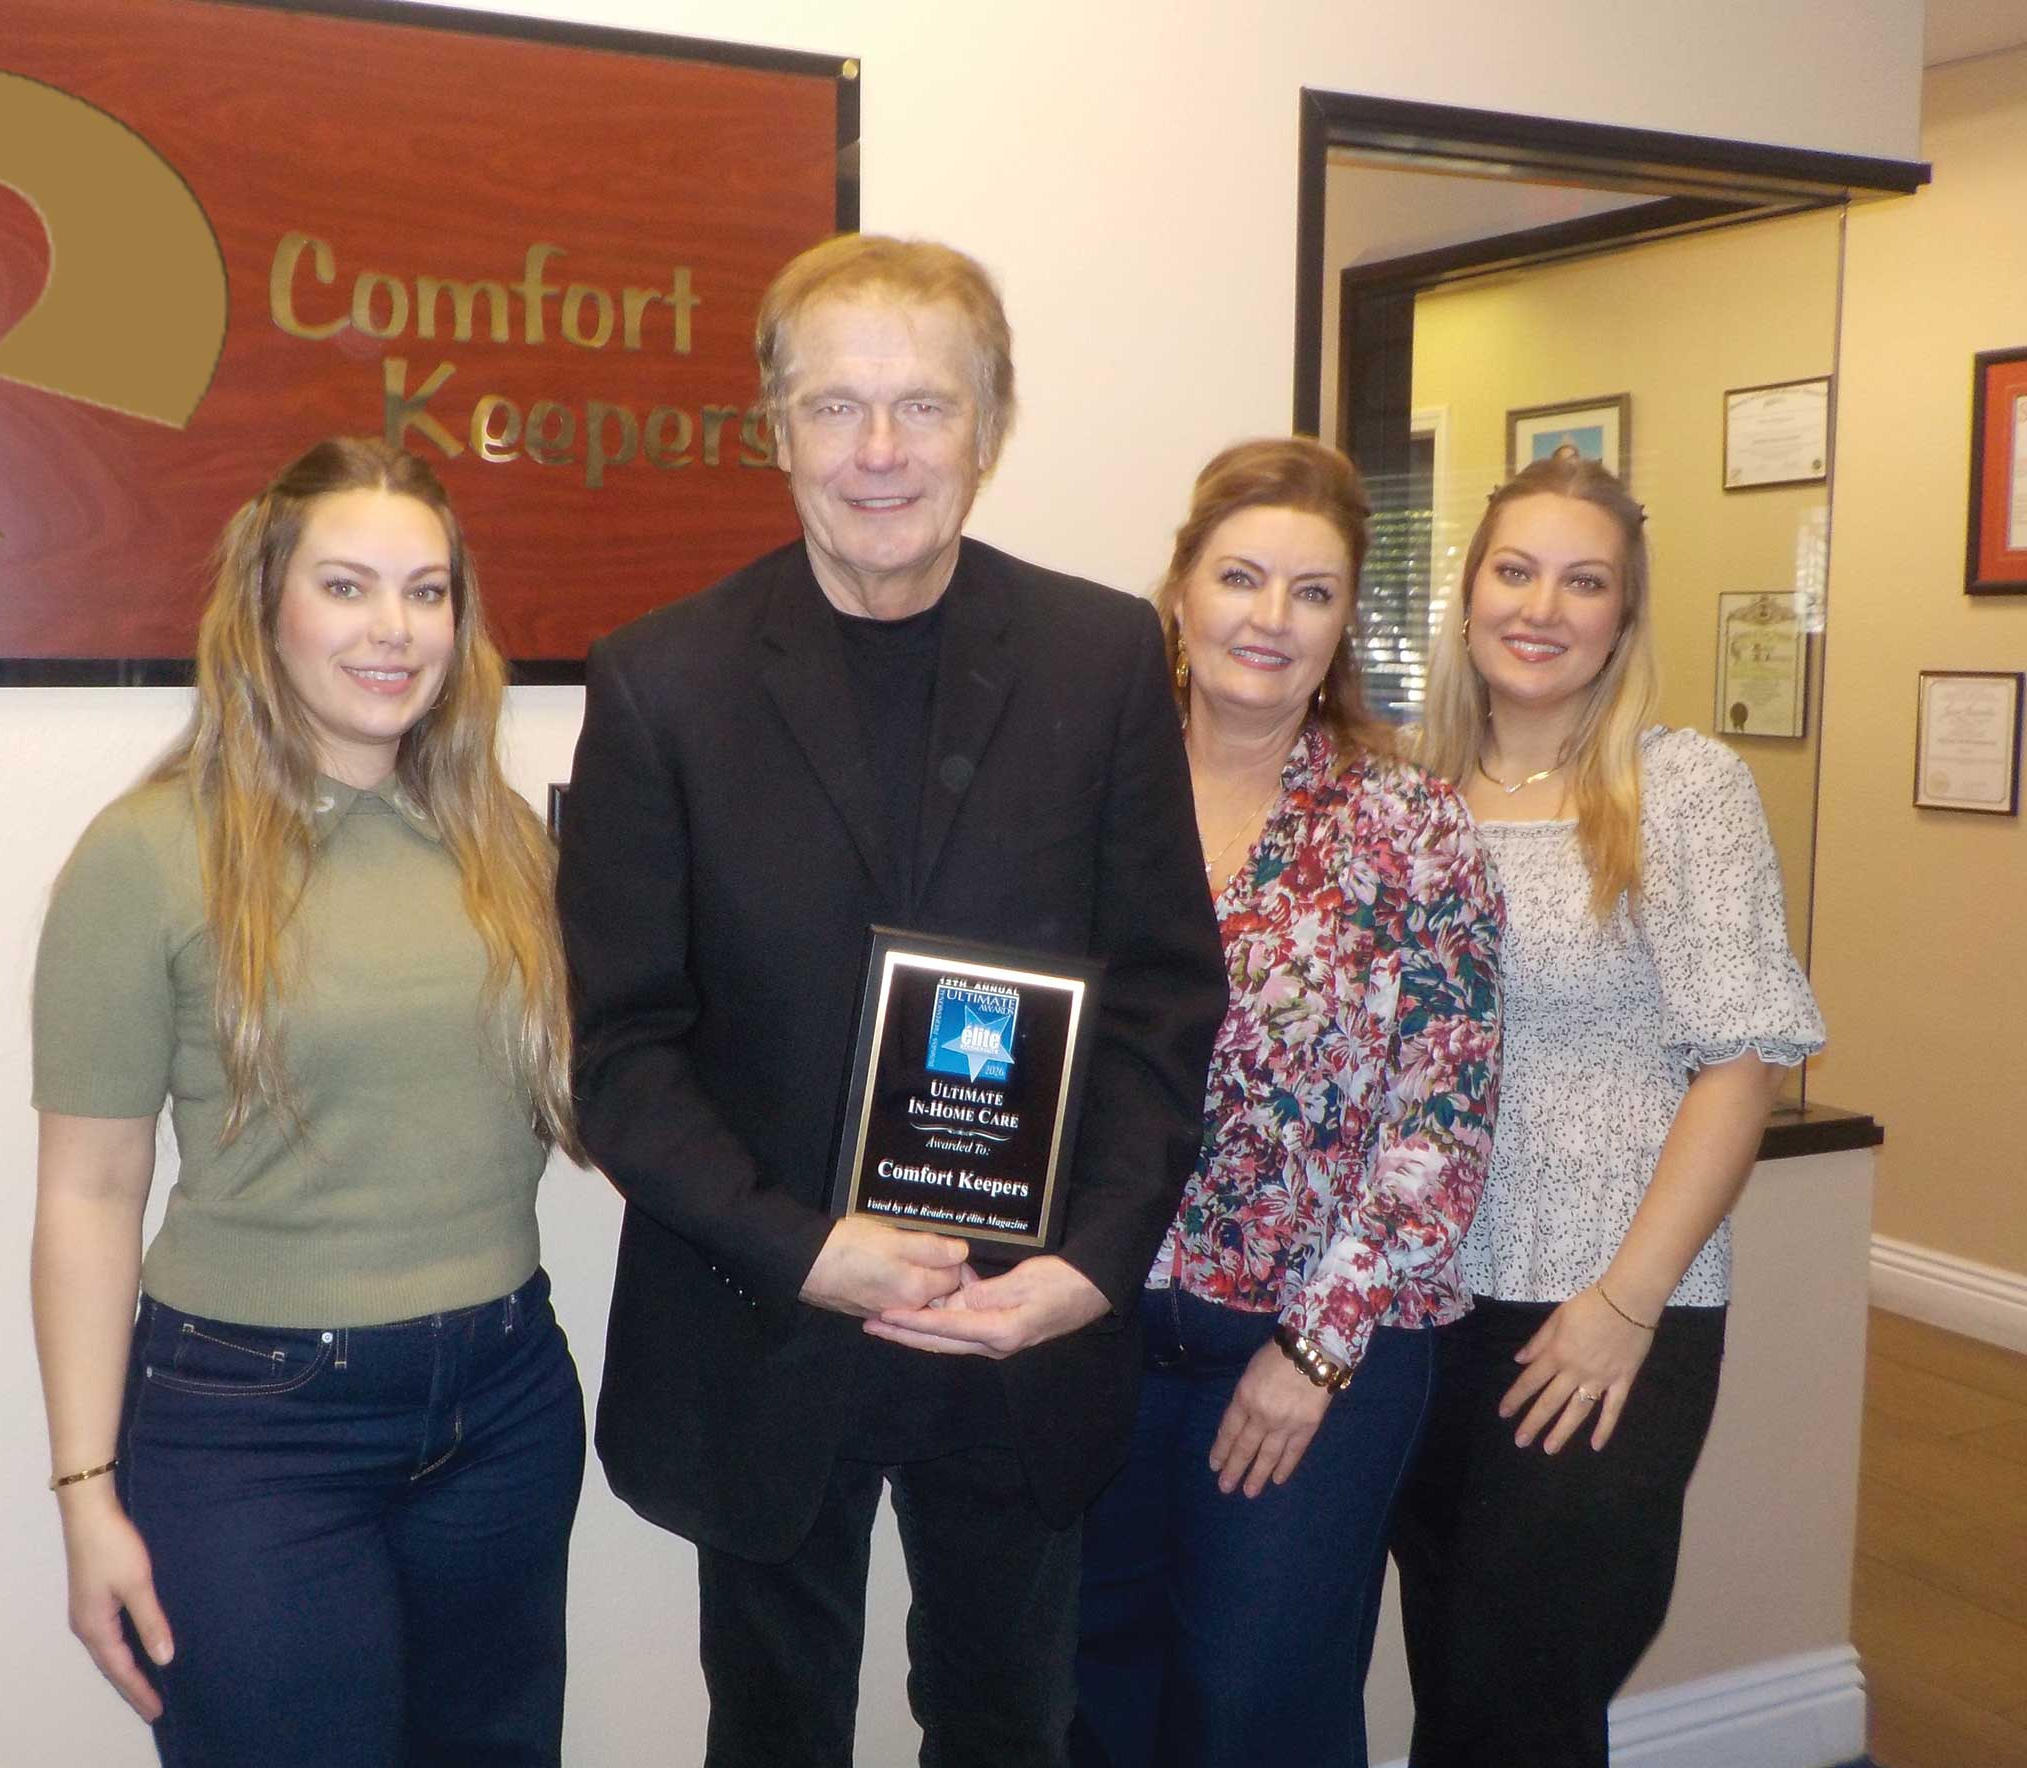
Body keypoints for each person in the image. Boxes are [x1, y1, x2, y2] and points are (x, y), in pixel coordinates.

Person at [555, 234, 1229, 1768]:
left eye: (923, 405)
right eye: (835, 406)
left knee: (1011, 1730)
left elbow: (1162, 1001)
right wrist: (809, 1251)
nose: (879, 451)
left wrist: (1094, 1265)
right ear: (776, 427)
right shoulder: (661, 681)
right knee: (773, 1734)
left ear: (989, 427)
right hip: (768, 1324)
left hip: (1020, 1325)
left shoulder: (1103, 657)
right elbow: (622, 1050)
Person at [29, 437, 584, 1767]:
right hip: (254, 1430)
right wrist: (86, 1494)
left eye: (427, 591)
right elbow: (88, 1193)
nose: (396, 629)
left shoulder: (502, 839)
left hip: (505, 1399)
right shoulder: (146, 853)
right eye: (347, 587)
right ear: (265, 607)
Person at [1069, 439, 1503, 1768]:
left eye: (1312, 593)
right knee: (1090, 1699)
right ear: (1181, 592)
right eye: (1241, 577)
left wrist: (1313, 1351)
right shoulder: (1083, 800)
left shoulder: (1411, 828)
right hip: (1089, 1330)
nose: (1271, 618)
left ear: (1343, 623)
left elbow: (1441, 1125)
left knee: (1257, 1710)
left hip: (1319, 1348)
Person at [1391, 454, 1826, 1767]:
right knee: (1455, 1683)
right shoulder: (1403, 791)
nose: (1542, 608)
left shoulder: (1681, 788)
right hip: (1419, 1310)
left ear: (1624, 616)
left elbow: (1741, 1064)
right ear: (1469, 593)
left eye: (1585, 583)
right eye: (1515, 571)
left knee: (1520, 1696)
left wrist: (1623, 1306)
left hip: (1603, 1309)